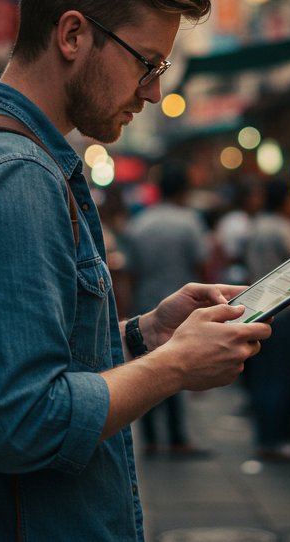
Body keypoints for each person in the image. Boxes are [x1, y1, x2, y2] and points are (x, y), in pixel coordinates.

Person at [0, 0, 271, 541]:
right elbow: (22, 421)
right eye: (147, 62)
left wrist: (145, 335)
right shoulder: (13, 176)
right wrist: (176, 368)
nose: (153, 92)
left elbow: (23, 360)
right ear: (73, 34)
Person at [125, 165, 211, 458]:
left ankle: (149, 438)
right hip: (182, 305)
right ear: (184, 190)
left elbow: (131, 271)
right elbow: (201, 265)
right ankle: (176, 437)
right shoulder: (189, 222)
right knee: (174, 370)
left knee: (145, 366)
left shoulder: (140, 223)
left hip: (145, 302)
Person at [243, 178, 290, 460]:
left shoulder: (256, 225)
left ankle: (264, 437)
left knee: (264, 376)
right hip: (285, 310)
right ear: (284, 199)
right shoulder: (284, 228)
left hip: (259, 308)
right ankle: (276, 439)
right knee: (282, 377)